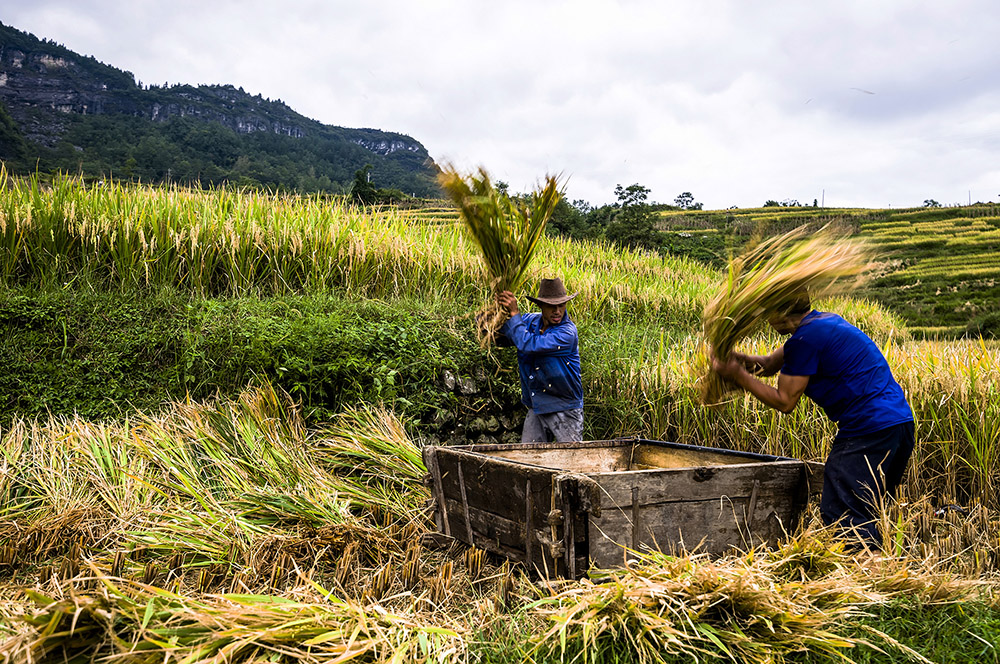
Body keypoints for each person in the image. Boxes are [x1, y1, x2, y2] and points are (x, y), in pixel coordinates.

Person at [711, 291, 914, 551]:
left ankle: (872, 583)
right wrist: (736, 360)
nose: (765, 319)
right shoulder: (822, 323)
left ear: (780, 313)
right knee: (864, 509)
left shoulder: (806, 340)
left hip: (868, 428)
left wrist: (737, 376)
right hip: (898, 424)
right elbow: (769, 365)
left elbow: (785, 401)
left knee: (846, 518)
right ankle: (881, 575)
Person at [495, 277, 584, 443]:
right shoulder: (530, 321)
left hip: (564, 407)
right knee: (529, 459)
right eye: (551, 306)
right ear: (541, 306)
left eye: (561, 305)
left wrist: (515, 313)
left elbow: (528, 344)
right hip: (537, 405)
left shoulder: (567, 333)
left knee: (572, 459)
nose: (557, 311)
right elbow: (503, 336)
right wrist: (496, 314)